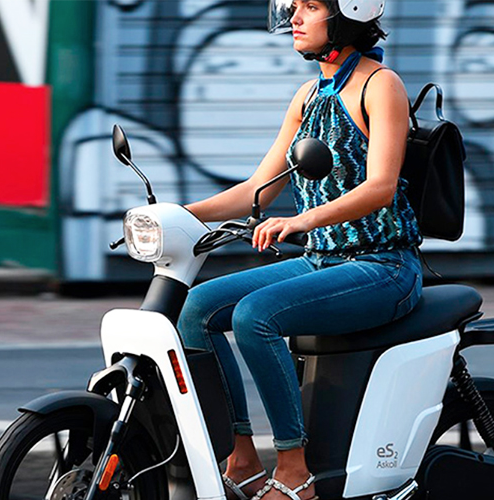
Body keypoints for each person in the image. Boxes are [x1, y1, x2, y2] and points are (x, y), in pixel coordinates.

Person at [178, 1, 423, 499]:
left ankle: (295, 472)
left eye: (310, 6)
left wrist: (301, 219)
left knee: (253, 317)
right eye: (293, 7)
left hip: (384, 265)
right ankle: (241, 457)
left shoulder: (381, 86)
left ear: (348, 13)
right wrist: (178, 215)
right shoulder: (309, 96)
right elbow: (258, 190)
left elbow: (380, 186)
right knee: (195, 309)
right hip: (324, 261)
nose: (295, 17)